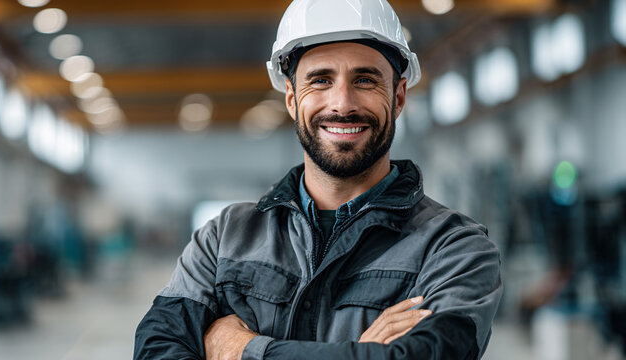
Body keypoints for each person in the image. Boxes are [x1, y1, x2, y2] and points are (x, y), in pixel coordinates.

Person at [134, 0, 502, 359]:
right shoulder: (224, 238)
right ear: (293, 99)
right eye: (321, 80)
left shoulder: (454, 249)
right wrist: (362, 353)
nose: (342, 103)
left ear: (399, 96)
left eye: (365, 79)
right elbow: (156, 348)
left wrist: (245, 350)